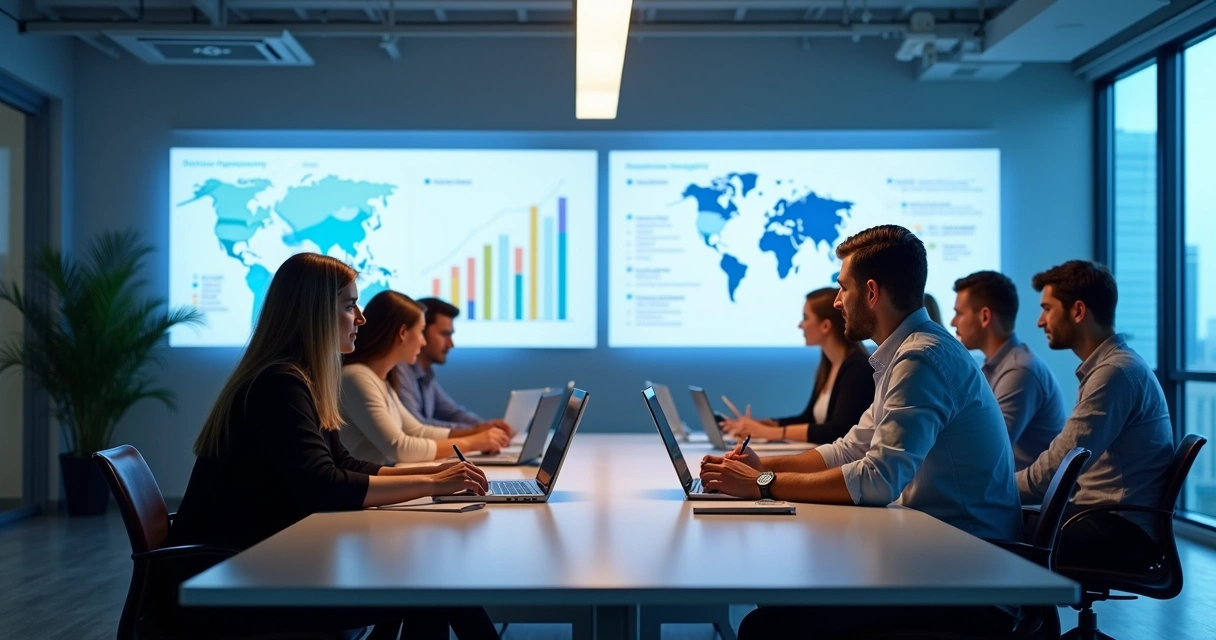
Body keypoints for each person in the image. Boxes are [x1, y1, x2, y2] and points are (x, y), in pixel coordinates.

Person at [701, 225, 1023, 639]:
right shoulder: (909, 352)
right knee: (782, 601)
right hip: (938, 557)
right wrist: (761, 466)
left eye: (842, 288)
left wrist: (763, 484)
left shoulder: (920, 360)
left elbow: (878, 479)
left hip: (965, 581)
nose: (837, 302)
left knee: (769, 625)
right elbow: (850, 448)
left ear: (871, 292)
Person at [162, 253, 497, 639]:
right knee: (436, 585)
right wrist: (433, 485)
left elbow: (344, 463)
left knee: (432, 580)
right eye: (350, 305)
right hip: (237, 581)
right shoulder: (279, 384)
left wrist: (431, 473)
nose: (361, 318)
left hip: (262, 563)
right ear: (316, 312)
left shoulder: (298, 379)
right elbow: (324, 485)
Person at [1020, 260, 1174, 573]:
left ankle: (1024, 622)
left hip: (1118, 532)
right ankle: (1028, 621)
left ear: (1077, 311)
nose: (1040, 321)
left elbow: (1052, 475)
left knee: (987, 532)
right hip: (1101, 519)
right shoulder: (1113, 368)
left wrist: (987, 487)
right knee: (996, 523)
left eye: (1047, 309)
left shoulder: (1113, 375)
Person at [340, 291, 510, 464]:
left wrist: (477, 433)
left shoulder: (380, 380)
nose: (423, 341)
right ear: (403, 333)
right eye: (421, 332)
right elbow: (400, 448)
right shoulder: (357, 377)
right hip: (361, 489)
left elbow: (417, 430)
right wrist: (472, 442)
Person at [721, 287, 874, 444]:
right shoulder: (829, 364)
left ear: (825, 326)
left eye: (805, 318)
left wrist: (771, 432)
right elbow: (808, 419)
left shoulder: (857, 368)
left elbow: (837, 431)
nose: (800, 325)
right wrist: (761, 425)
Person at [951, 270, 1067, 470]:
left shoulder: (1020, 370)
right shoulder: (996, 367)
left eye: (959, 313)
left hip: (1025, 500)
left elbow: (986, 450)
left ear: (985, 316)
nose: (953, 322)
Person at [394, 297, 510, 432]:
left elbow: (452, 413)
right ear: (421, 331)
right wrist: (475, 430)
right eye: (445, 334)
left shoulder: (427, 373)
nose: (451, 344)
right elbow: (417, 427)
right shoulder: (399, 370)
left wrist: (486, 426)